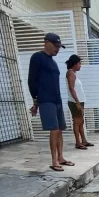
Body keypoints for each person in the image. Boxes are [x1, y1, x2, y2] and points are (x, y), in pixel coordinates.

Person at [28, 33, 74, 172]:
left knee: (59, 129)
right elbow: (32, 80)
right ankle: (54, 160)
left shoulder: (53, 62)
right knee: (53, 130)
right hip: (45, 99)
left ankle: (61, 157)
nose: (57, 49)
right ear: (46, 42)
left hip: (57, 100)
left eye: (59, 46)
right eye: (55, 46)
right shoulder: (37, 57)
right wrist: (36, 101)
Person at [65, 54, 93, 150]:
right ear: (75, 64)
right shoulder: (70, 73)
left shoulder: (74, 73)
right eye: (79, 63)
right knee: (77, 122)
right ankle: (78, 142)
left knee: (81, 121)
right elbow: (71, 88)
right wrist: (77, 102)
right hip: (74, 102)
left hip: (79, 101)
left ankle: (83, 140)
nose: (80, 65)